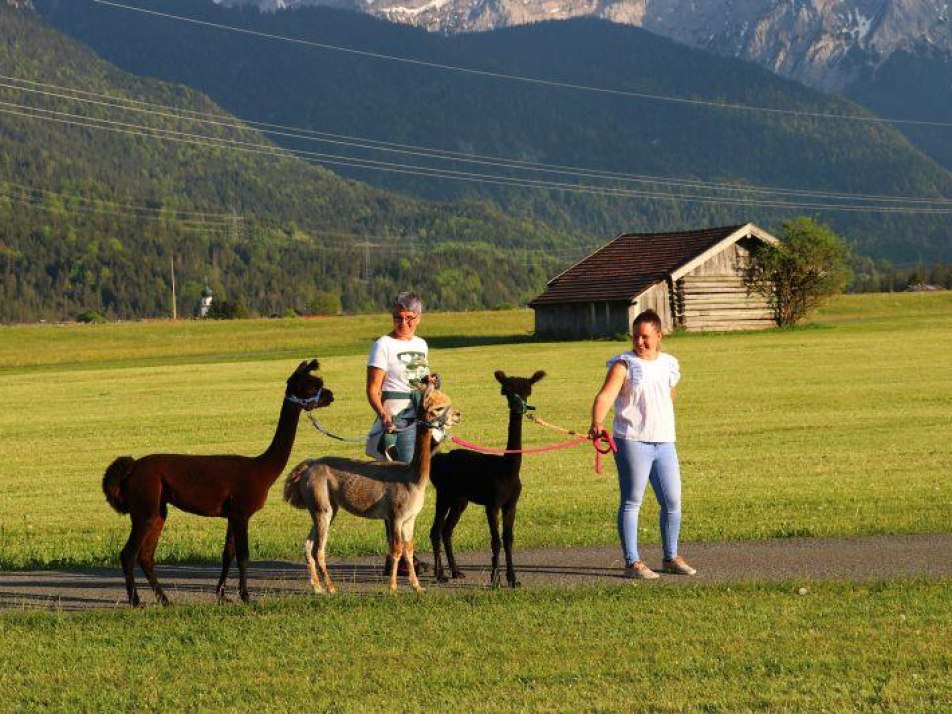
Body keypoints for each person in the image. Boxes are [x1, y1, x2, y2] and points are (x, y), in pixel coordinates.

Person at [589, 309, 696, 580]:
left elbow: (668, 398)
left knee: (672, 501)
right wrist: (597, 422)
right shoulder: (624, 365)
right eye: (635, 336)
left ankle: (670, 557)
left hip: (664, 441)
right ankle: (632, 562)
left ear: (659, 336)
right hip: (632, 441)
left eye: (645, 337)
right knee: (632, 501)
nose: (639, 342)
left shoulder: (669, 365)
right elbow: (605, 396)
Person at [366, 291, 432, 575]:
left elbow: (419, 383)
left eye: (408, 318)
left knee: (416, 486)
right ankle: (400, 558)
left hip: (420, 417)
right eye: (397, 318)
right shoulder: (382, 345)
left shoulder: (421, 344)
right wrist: (383, 414)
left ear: (419, 318)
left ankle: (406, 556)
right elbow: (372, 389)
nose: (402, 323)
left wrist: (431, 383)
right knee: (401, 489)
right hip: (397, 417)